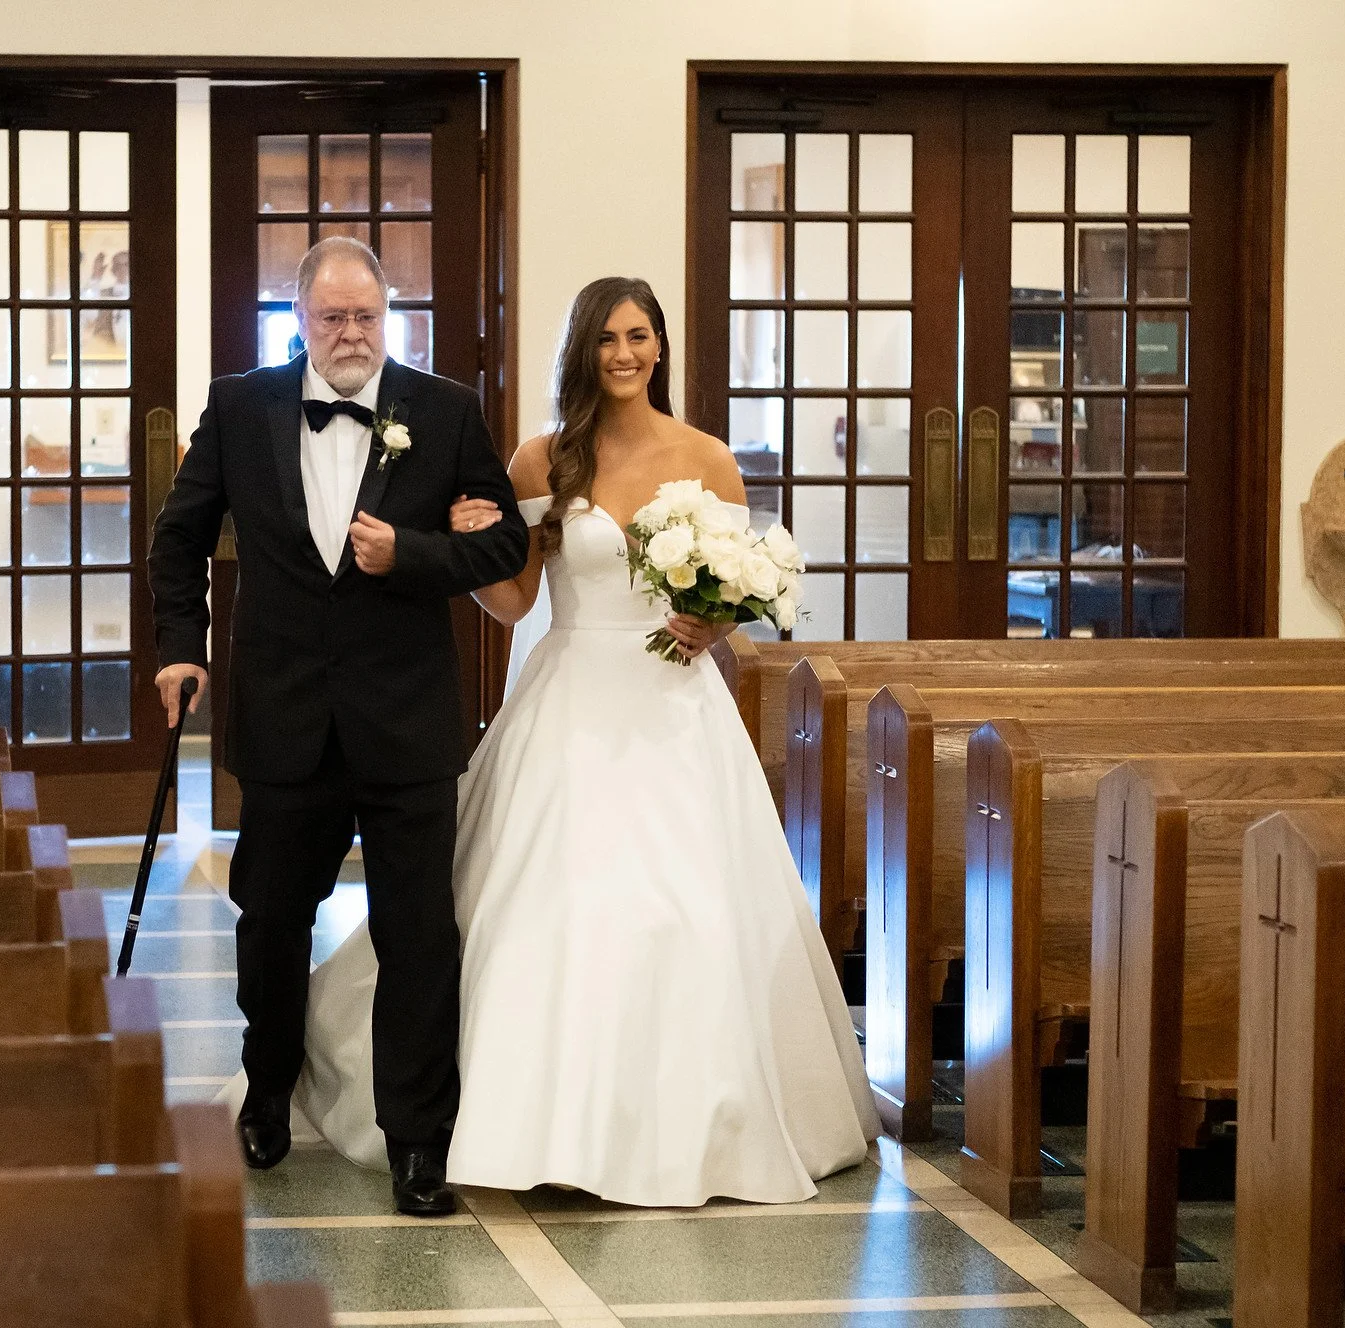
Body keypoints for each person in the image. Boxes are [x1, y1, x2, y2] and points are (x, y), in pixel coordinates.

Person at [236, 275, 880, 1208]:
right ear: (583, 351)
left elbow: (739, 593)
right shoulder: (545, 461)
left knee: (687, 916)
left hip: (674, 712)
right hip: (571, 695)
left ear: (660, 347)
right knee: (532, 910)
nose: (626, 354)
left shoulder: (710, 459)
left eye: (641, 337)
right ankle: (501, 1118)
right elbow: (515, 601)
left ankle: (688, 1126)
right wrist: (467, 550)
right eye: (608, 339)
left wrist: (714, 622)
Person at [147, 237, 528, 1217]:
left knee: (416, 934)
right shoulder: (239, 405)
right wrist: (177, 646)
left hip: (405, 722)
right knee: (270, 918)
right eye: (331, 318)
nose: (350, 333)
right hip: (282, 717)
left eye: (366, 317)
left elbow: (503, 548)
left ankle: (416, 1141)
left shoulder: (443, 411)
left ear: (386, 316)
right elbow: (179, 536)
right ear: (299, 318)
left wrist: (411, 552)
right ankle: (266, 1092)